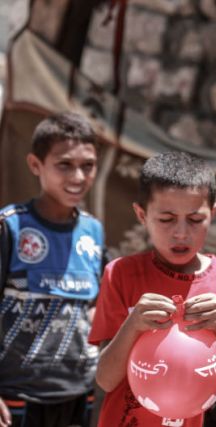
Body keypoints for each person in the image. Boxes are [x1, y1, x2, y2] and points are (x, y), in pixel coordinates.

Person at [89, 152, 216, 427]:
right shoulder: (121, 274)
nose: (181, 232)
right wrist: (133, 325)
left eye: (195, 220)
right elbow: (105, 378)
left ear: (213, 214)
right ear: (141, 214)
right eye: (166, 219)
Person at [0, 112, 105, 427]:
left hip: (78, 393)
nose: (78, 176)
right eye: (65, 165)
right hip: (16, 395)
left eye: (88, 165)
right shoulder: (10, 227)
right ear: (35, 165)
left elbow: (96, 303)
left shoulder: (93, 231)